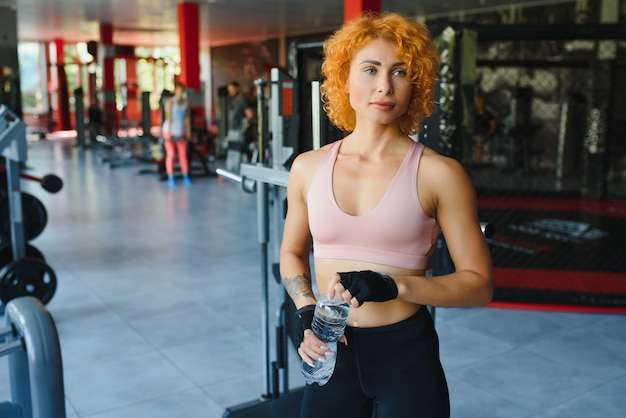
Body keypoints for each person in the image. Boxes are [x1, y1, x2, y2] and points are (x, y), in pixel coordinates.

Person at [279, 12, 493, 418]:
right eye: (371, 69)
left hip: (406, 356)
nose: (384, 86)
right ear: (345, 79)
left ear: (416, 84)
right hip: (332, 350)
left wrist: (394, 286)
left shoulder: (440, 174)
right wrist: (306, 310)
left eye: (400, 71)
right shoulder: (308, 167)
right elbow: (291, 253)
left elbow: (479, 285)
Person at [162, 81, 192, 186]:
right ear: (175, 91)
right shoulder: (171, 102)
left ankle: (186, 176)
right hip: (169, 132)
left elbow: (187, 118)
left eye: (182, 90)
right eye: (179, 90)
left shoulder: (186, 103)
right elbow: (168, 118)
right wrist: (169, 133)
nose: (181, 92)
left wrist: (189, 131)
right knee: (171, 154)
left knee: (183, 155)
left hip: (181, 132)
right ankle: (171, 177)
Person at [473, 90, 497, 165]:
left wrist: (487, 134)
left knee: (479, 141)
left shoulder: (488, 115)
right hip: (475, 133)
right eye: (478, 102)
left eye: (481, 103)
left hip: (484, 134)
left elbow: (493, 125)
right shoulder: (474, 114)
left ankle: (478, 161)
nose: (479, 104)